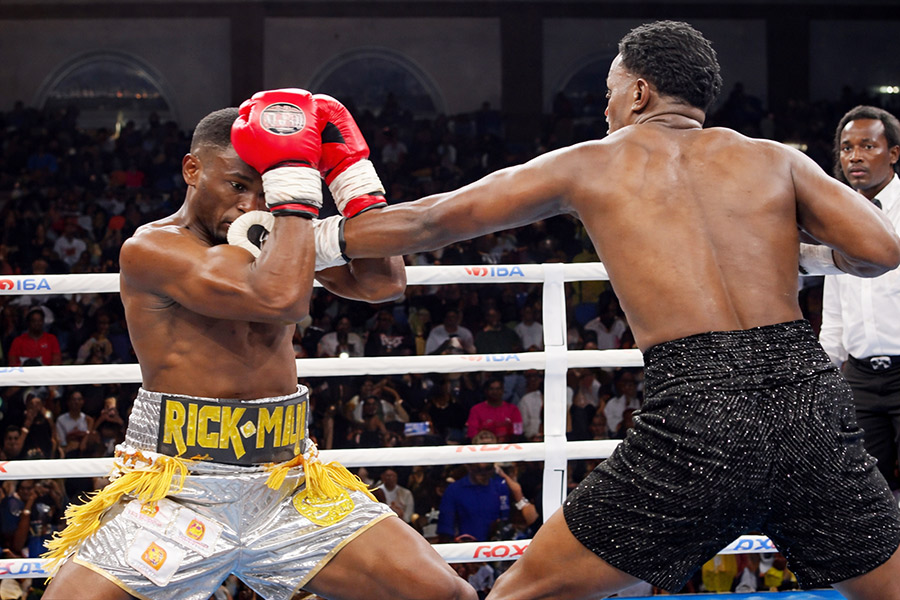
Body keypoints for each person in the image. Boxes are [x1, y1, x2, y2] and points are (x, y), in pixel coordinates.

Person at [325, 20, 900, 598]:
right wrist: (797, 253)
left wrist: (313, 238)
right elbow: (879, 249)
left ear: (640, 93)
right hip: (809, 400)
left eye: (609, 92)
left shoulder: (591, 163)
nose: (605, 110)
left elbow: (431, 220)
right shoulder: (775, 159)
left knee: (520, 594)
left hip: (702, 413)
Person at [42, 93, 475, 600]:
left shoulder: (277, 234)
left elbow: (383, 284)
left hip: (288, 481)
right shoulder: (152, 248)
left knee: (447, 594)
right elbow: (278, 300)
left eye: (266, 189)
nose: (251, 205)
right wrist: (295, 198)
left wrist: (349, 176)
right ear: (192, 169)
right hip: (179, 488)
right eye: (237, 185)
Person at [819, 105, 900, 494]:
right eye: (847, 147)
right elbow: (835, 308)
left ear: (893, 153)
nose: (855, 156)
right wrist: (825, 370)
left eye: (868, 146)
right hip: (860, 379)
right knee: (867, 496)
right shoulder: (836, 213)